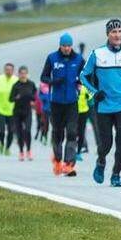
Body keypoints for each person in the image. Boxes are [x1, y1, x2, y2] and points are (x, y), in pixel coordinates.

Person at [80, 19, 121, 187]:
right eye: (113, 32)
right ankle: (101, 161)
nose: (117, 35)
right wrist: (95, 92)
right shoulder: (97, 54)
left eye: (119, 32)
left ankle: (116, 175)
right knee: (106, 144)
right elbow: (83, 76)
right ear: (107, 34)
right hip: (104, 106)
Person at [42, 32, 83, 177]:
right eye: (64, 46)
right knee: (58, 134)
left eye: (69, 46)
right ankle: (57, 160)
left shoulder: (78, 59)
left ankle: (69, 164)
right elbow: (44, 76)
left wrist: (80, 82)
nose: (66, 48)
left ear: (71, 46)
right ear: (60, 45)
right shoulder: (52, 58)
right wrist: (53, 82)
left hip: (72, 102)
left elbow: (85, 76)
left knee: (72, 133)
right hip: (56, 102)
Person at [0, 63, 17, 155]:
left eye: (10, 70)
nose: (8, 71)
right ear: (4, 70)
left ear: (13, 71)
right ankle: (0, 143)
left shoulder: (16, 80)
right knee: (0, 130)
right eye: (7, 69)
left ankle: (7, 148)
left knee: (11, 131)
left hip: (12, 110)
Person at [10, 66, 38, 161]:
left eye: (24, 73)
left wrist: (33, 102)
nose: (23, 75)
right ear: (18, 74)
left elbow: (35, 96)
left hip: (27, 111)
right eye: (21, 73)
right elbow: (10, 99)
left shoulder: (31, 84)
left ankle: (29, 151)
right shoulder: (16, 85)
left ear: (27, 74)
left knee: (28, 131)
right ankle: (21, 152)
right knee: (20, 133)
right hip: (17, 112)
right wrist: (16, 98)